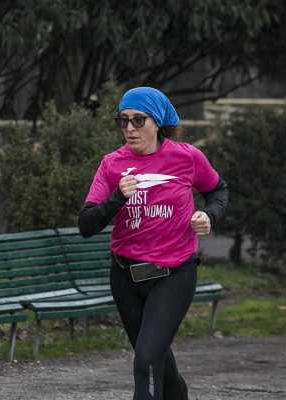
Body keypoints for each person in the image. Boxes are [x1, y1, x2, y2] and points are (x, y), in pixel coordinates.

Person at [78, 87, 228, 399]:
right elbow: (87, 224)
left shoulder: (186, 157)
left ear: (157, 121)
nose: (129, 129)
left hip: (174, 274)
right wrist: (117, 198)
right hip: (125, 278)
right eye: (123, 121)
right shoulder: (111, 164)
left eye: (138, 120)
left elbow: (218, 189)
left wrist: (209, 216)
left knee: (145, 359)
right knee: (157, 361)